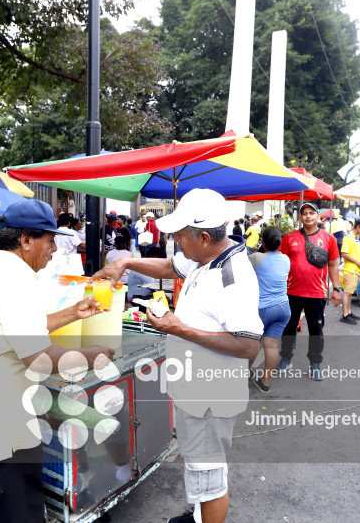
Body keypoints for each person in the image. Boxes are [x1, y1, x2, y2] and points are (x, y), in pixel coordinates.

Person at [0, 199, 113, 523]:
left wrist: (73, 313)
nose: (54, 249)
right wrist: (93, 356)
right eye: (50, 240)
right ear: (26, 240)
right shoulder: (17, 278)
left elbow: (19, 329)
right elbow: (39, 358)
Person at [91, 188, 263, 523]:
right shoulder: (205, 257)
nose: (175, 241)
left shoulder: (231, 278)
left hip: (210, 396)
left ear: (203, 237)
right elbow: (169, 266)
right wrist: (125, 262)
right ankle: (198, 515)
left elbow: (247, 346)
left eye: (180, 236)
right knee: (200, 468)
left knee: (209, 480)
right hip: (194, 390)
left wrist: (179, 328)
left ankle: (205, 514)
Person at [277, 203, 342, 380]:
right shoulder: (289, 237)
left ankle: (315, 363)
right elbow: (281, 262)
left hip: (317, 293)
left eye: (311, 213)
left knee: (316, 329)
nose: (308, 216)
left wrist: (336, 288)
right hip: (291, 291)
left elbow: (333, 264)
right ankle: (286, 358)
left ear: (318, 216)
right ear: (300, 217)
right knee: (289, 327)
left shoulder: (329, 238)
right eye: (304, 213)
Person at [248, 228, 290, 393]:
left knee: (252, 343)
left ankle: (245, 374)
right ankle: (265, 382)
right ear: (279, 242)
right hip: (283, 308)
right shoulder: (286, 259)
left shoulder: (256, 257)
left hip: (262, 309)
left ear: (262, 241)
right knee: (272, 346)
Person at [339, 219, 360, 324]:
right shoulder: (348, 237)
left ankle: (348, 312)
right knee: (347, 293)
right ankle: (345, 315)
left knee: (350, 293)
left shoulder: (355, 238)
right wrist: (358, 262)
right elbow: (344, 253)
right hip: (351, 269)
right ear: (358, 227)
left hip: (355, 269)